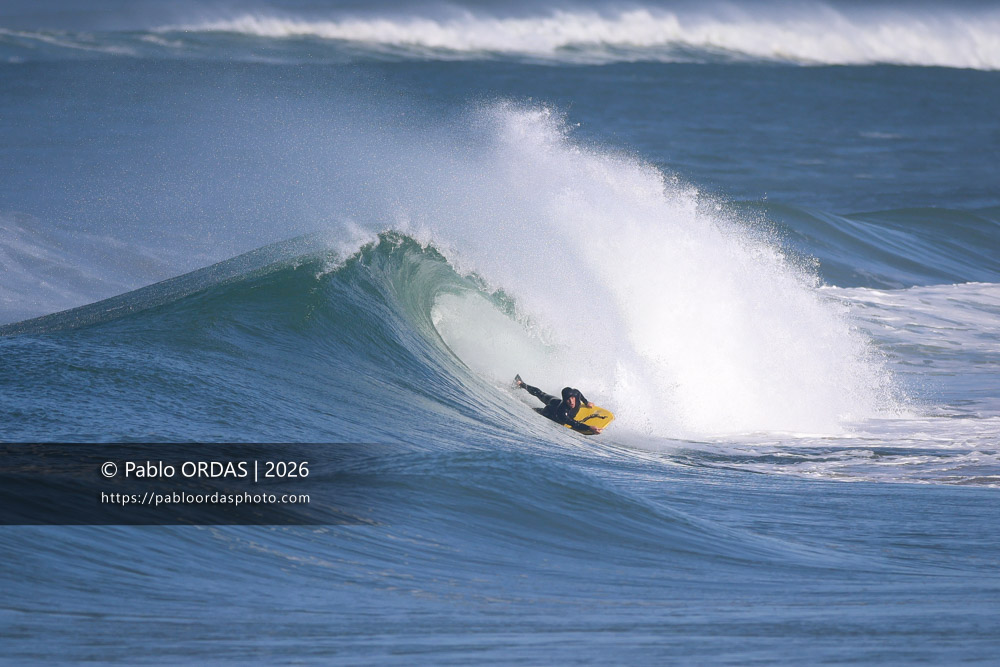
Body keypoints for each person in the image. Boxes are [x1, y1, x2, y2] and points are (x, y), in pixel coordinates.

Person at [514, 374, 603, 434]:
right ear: (564, 400)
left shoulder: (576, 394)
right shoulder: (562, 413)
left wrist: (587, 402)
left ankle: (521, 383)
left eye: (572, 398)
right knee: (535, 408)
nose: (571, 402)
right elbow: (574, 424)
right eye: (568, 400)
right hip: (551, 411)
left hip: (555, 400)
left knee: (541, 394)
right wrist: (589, 428)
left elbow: (580, 394)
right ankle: (520, 384)